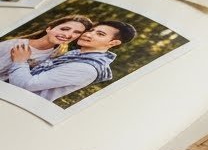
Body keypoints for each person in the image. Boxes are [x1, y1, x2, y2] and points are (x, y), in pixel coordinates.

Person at [6, 18, 137, 103]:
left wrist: (20, 61)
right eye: (91, 30)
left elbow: (25, 85)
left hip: (17, 103)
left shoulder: (86, 68)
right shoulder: (76, 54)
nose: (88, 34)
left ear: (113, 43)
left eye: (100, 34)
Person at [0, 14, 93, 81]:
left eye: (76, 32)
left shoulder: (57, 57)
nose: (68, 35)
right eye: (64, 29)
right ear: (49, 29)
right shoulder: (13, 45)